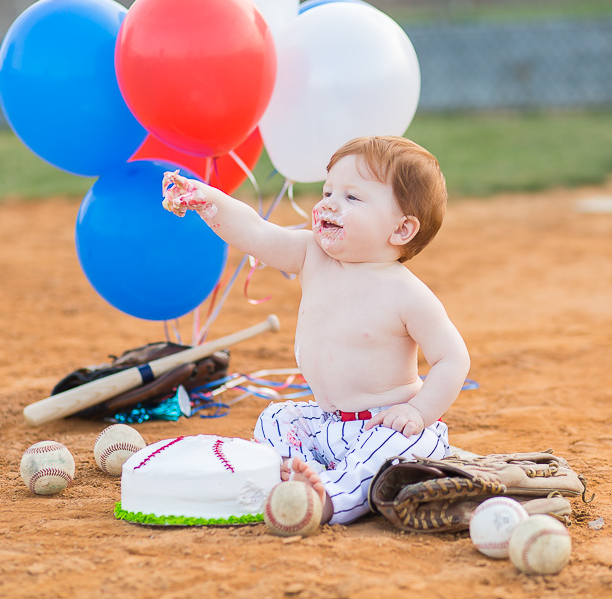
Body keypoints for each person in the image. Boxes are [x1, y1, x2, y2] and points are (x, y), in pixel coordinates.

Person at [162, 135, 470, 525]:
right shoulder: (312, 254)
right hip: (329, 422)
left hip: (384, 424)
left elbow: (452, 357)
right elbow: (255, 232)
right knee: (276, 419)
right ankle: (298, 475)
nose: (328, 203)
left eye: (352, 198)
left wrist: (418, 411)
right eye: (328, 192)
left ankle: (323, 502)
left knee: (386, 454)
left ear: (402, 229)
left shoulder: (407, 294)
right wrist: (208, 199)